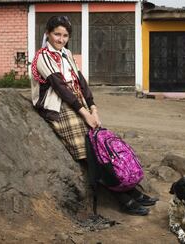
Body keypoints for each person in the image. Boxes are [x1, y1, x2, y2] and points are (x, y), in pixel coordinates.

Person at [31, 15, 157, 216]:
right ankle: (123, 199)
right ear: (47, 33)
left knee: (102, 142)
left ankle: (131, 189)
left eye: (65, 35)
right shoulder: (44, 57)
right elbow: (60, 87)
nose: (61, 39)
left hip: (74, 101)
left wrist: (93, 107)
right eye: (57, 34)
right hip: (56, 107)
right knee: (92, 149)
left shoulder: (66, 54)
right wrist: (85, 114)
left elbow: (81, 82)